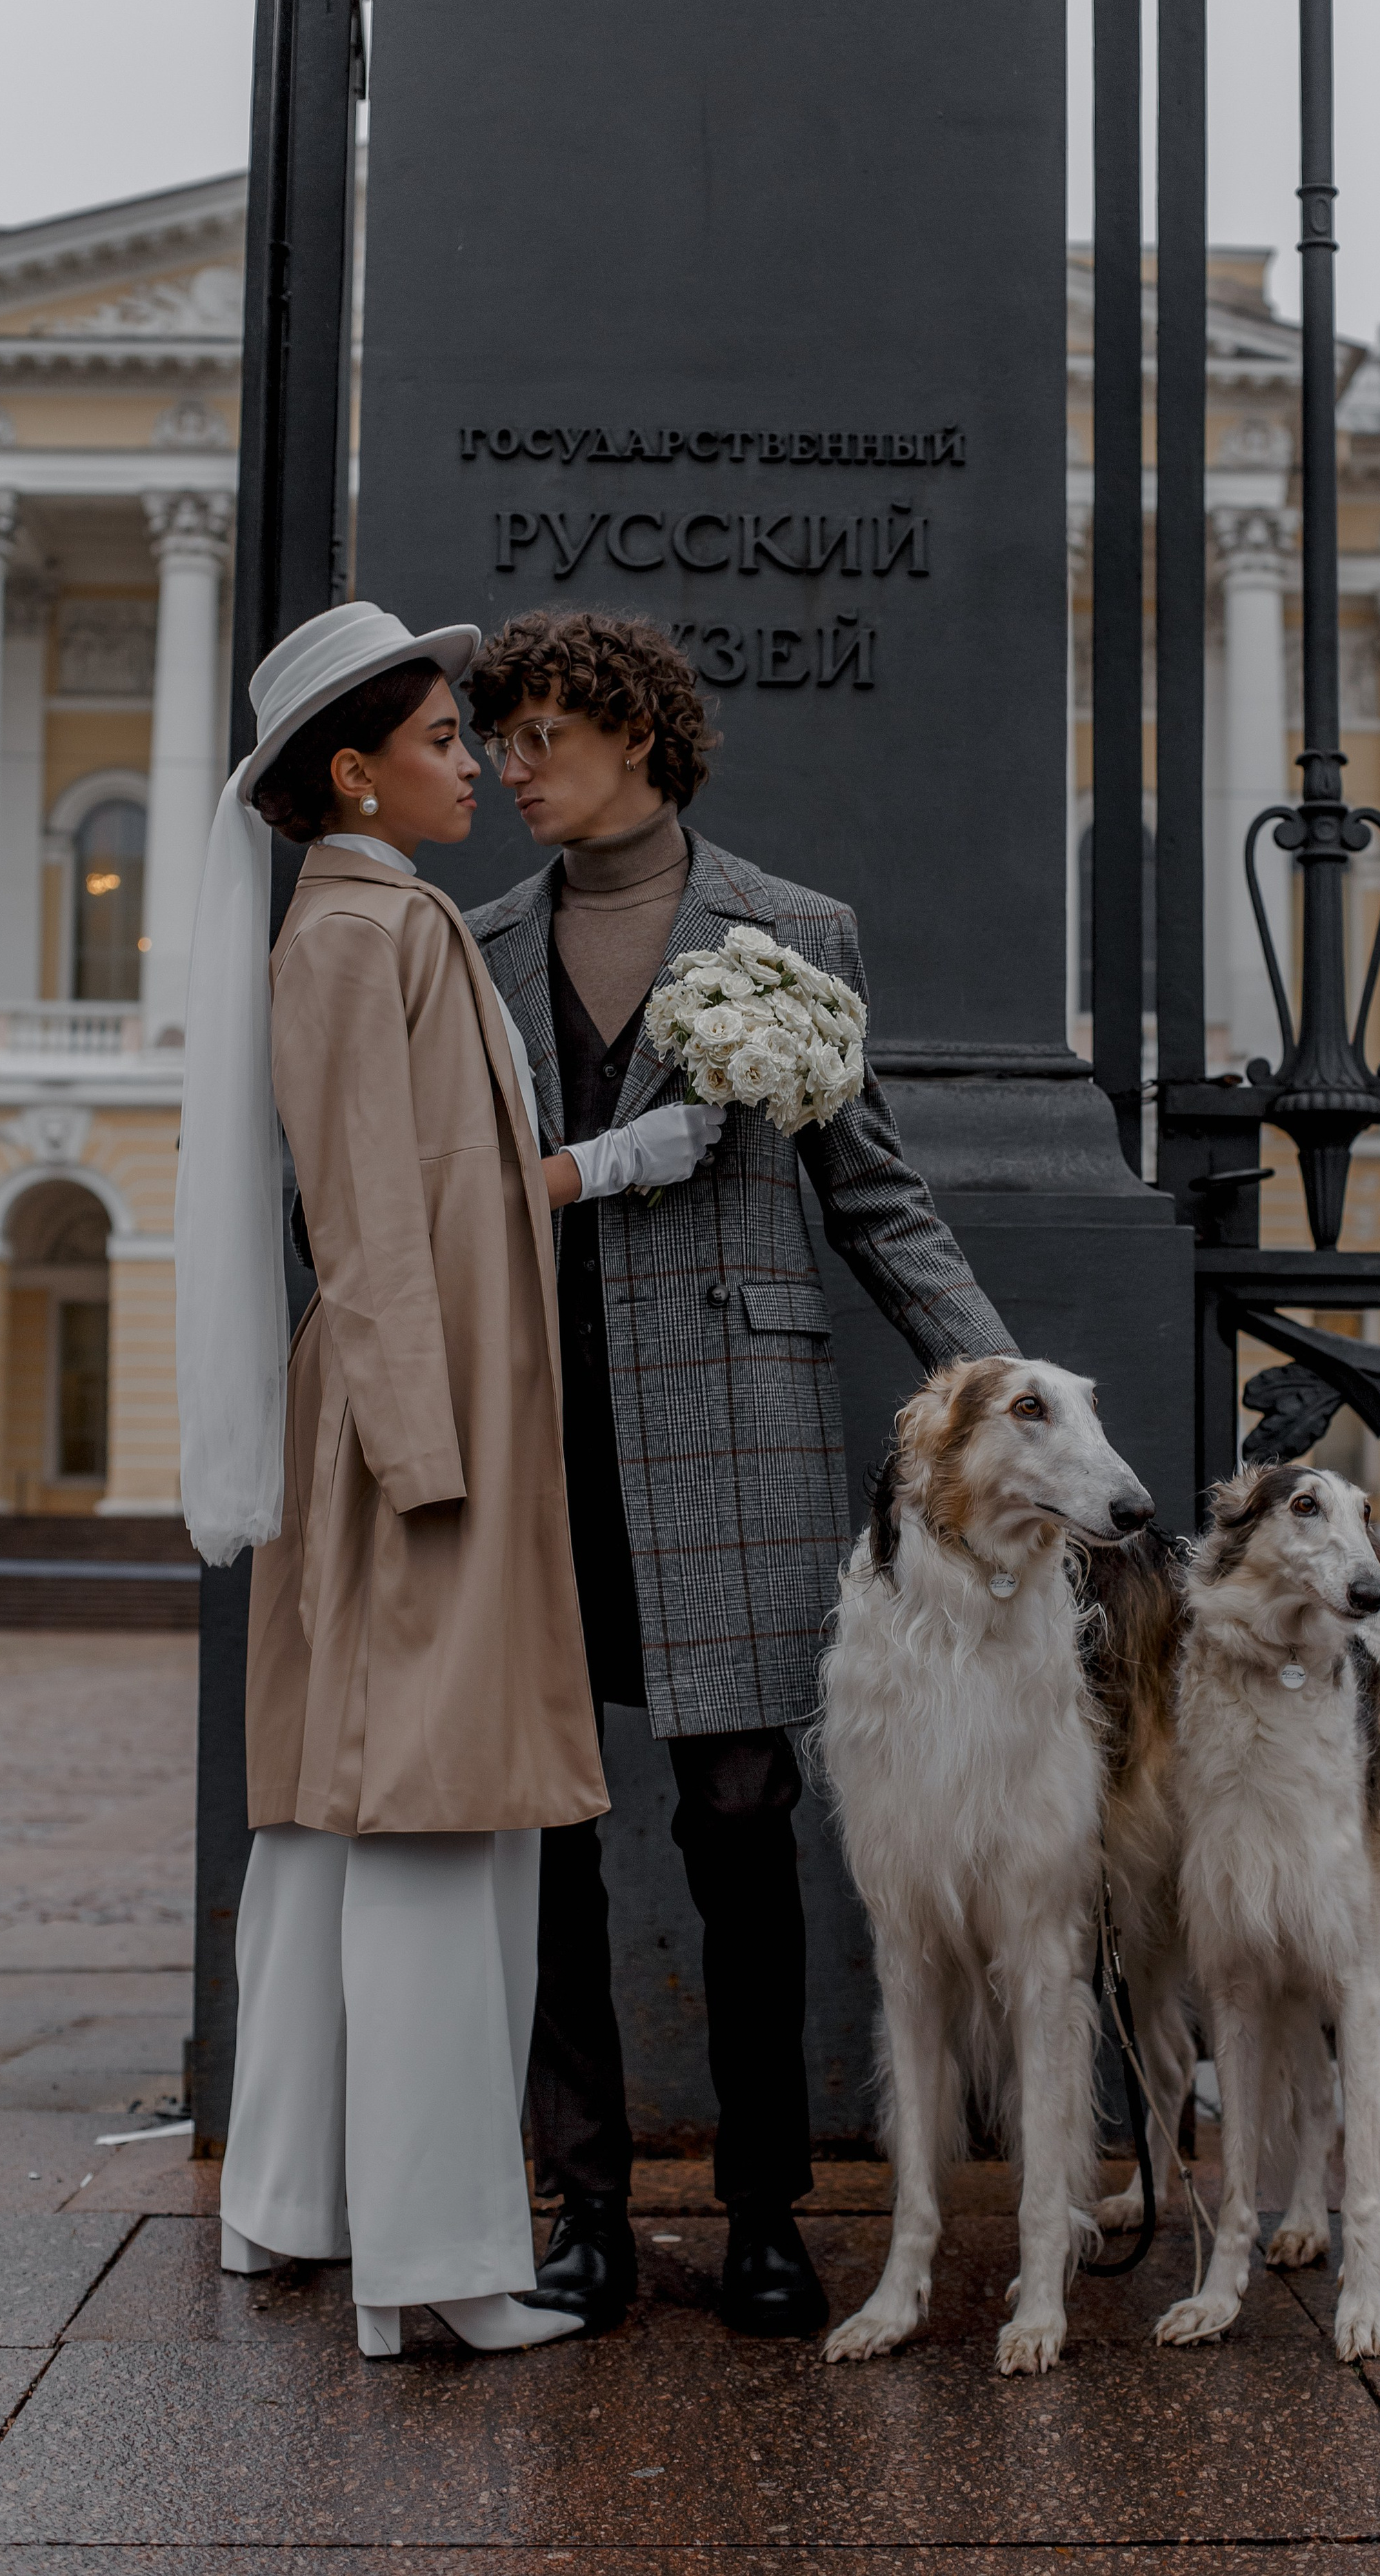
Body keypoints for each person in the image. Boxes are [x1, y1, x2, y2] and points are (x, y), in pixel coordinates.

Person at [462, 608, 1015, 2341]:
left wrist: (999, 1391)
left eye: (544, 732)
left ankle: (768, 2207)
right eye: (500, 737)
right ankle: (584, 2215)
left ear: (639, 735)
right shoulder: (469, 948)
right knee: (544, 1825)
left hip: (734, 1422)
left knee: (740, 1815)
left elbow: (873, 1195)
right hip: (530, 1428)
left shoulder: (792, 931)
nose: (510, 766)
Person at [177, 602, 621, 2359]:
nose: (476, 763)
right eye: (445, 739)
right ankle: (433, 2264)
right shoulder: (369, 931)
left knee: (325, 1817)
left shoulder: (364, 916)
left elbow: (437, 1185)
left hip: (394, 1409)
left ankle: (289, 2198)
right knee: (444, 1818)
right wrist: (426, 1453)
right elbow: (366, 1208)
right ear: (354, 774)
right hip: (414, 1422)